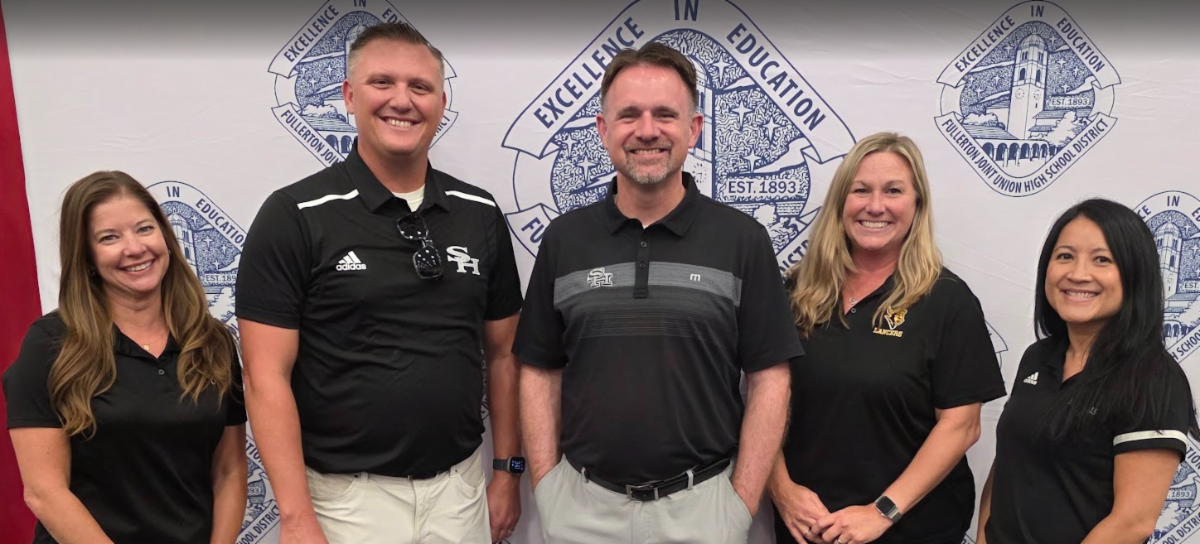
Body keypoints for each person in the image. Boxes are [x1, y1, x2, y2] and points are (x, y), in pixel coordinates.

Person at [235, 22, 523, 544]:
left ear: (441, 103)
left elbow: (504, 354)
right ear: (349, 96)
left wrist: (506, 470)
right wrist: (295, 516)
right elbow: (264, 377)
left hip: (459, 494)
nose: (402, 100)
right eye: (382, 82)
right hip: (344, 503)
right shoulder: (294, 214)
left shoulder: (479, 212)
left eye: (420, 87)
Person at [515, 42, 800, 544]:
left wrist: (739, 503)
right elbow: (539, 370)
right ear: (603, 129)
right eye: (629, 115)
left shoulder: (742, 240)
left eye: (665, 114)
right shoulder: (564, 239)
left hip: (704, 513)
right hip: (581, 513)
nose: (647, 131)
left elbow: (770, 379)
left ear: (694, 128)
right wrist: (548, 488)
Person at [770, 132, 1006, 544]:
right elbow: (762, 402)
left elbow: (962, 425)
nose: (875, 206)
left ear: (917, 205)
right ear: (841, 202)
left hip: (911, 530)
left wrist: (882, 512)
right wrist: (781, 490)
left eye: (893, 191)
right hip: (808, 529)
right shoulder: (795, 294)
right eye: (861, 190)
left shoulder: (946, 300)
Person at [4, 171, 247, 544]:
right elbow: (45, 492)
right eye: (109, 237)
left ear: (166, 237)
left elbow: (229, 471)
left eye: (144, 229)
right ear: (86, 256)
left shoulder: (211, 341)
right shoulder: (51, 345)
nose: (134, 248)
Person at [978, 199, 1199, 544]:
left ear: (1134, 274)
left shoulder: (1152, 379)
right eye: (1065, 256)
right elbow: (1008, 464)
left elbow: (1132, 522)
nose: (1078, 273)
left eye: (1102, 260)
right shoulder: (1038, 357)